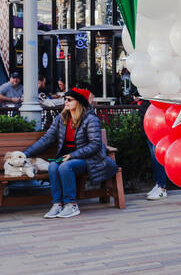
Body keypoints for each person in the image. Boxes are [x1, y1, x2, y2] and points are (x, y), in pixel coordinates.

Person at [22, 87, 118, 219]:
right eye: (65, 99)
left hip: (89, 158)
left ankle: (71, 205)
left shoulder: (91, 119)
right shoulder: (61, 119)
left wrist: (73, 155)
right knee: (54, 166)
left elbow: (95, 145)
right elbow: (46, 139)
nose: (65, 102)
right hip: (67, 157)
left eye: (69, 99)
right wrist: (25, 154)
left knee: (65, 166)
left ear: (79, 102)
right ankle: (57, 204)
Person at [140, 100, 168, 200]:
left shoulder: (154, 100)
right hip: (149, 130)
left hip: (156, 130)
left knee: (158, 159)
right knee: (154, 159)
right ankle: (158, 184)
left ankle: (162, 187)